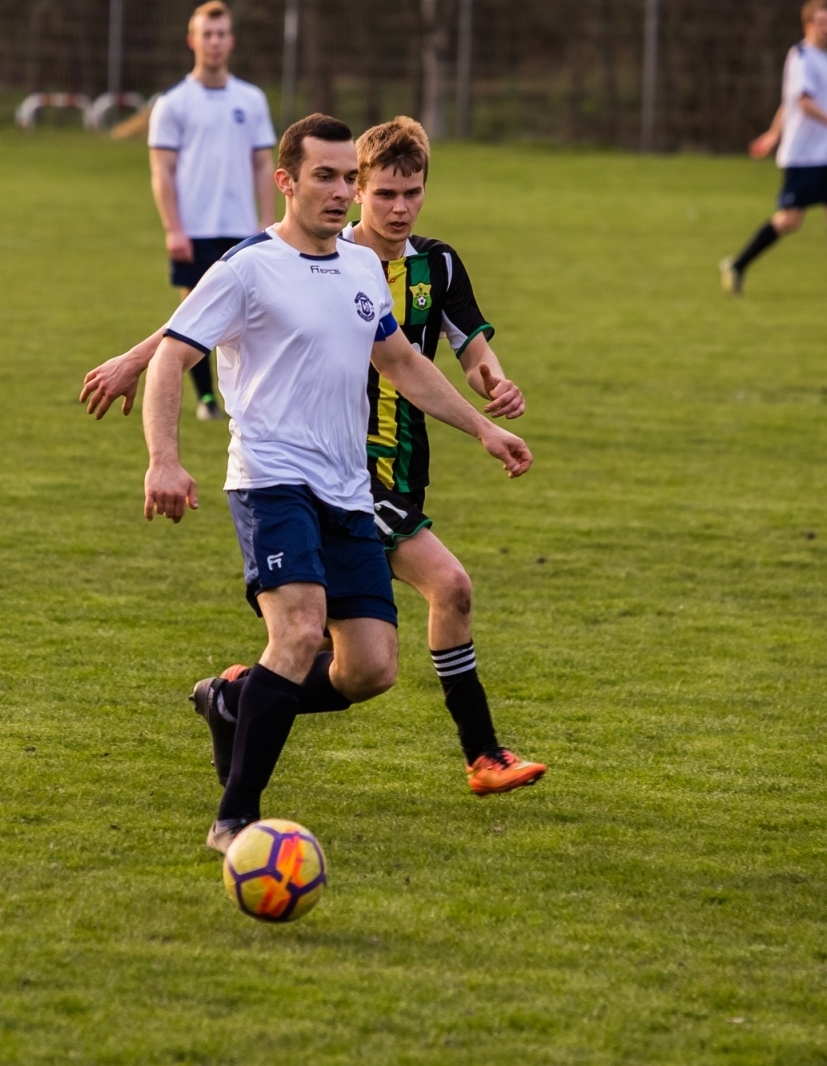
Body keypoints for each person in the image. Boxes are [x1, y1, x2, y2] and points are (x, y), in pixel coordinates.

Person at [138, 114, 534, 853]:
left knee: (371, 670)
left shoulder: (360, 270)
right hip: (271, 479)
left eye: (346, 178)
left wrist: (483, 427)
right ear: (285, 181)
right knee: (295, 630)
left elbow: (403, 363)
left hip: (348, 490)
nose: (340, 192)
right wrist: (164, 458)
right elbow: (171, 356)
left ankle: (232, 700)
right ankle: (235, 821)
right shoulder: (247, 266)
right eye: (326, 177)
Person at [341, 116, 546, 796]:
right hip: (341, 470)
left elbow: (470, 345)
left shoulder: (439, 264)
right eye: (386, 195)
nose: (400, 209)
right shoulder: (331, 260)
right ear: (358, 188)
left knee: (330, 651)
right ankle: (483, 754)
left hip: (404, 470)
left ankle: (233, 696)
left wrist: (494, 380)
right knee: (447, 587)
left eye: (413, 193)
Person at [147, 0, 276, 421]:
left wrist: (266, 220)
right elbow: (162, 172)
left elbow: (263, 163)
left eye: (222, 34)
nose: (215, 42)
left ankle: (252, 399)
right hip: (195, 229)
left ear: (231, 41)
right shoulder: (173, 103)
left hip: (241, 229)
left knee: (252, 319)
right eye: (207, 34)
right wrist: (174, 228)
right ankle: (206, 400)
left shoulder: (251, 99)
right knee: (195, 317)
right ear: (192, 40)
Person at [719, 0, 827, 301]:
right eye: (822, 22)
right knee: (790, 220)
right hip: (805, 154)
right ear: (807, 24)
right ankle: (737, 264)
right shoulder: (802, 57)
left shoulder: (824, 57)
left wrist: (772, 133)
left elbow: (788, 102)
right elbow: (802, 103)